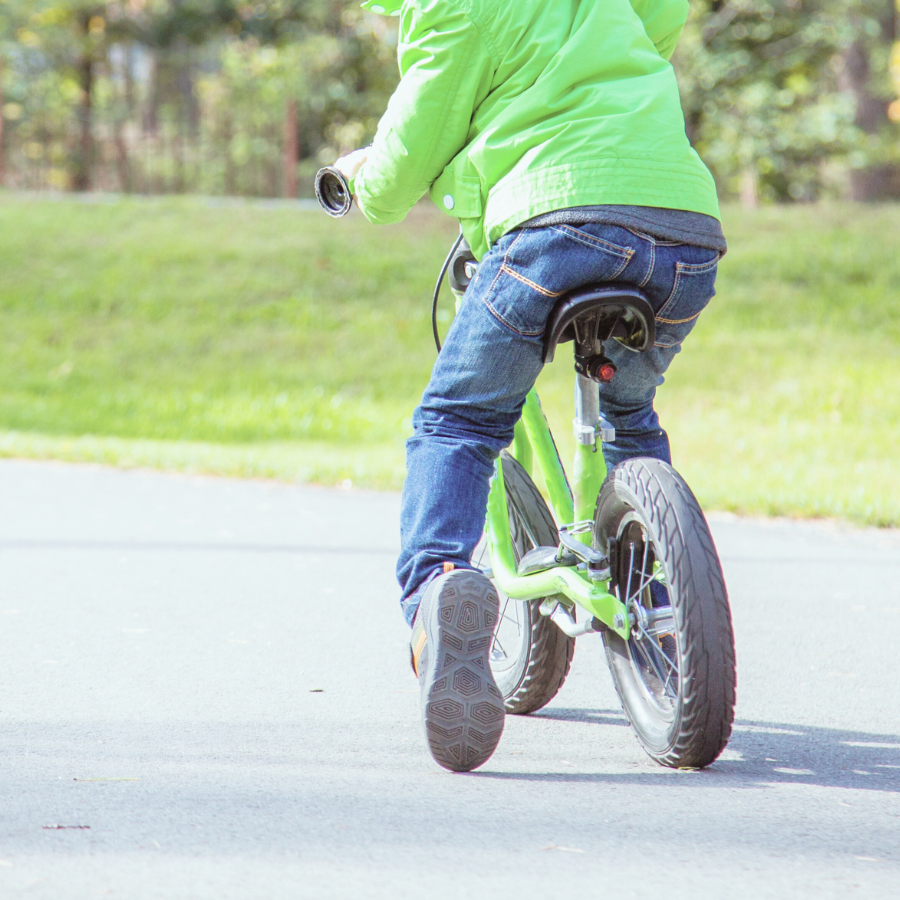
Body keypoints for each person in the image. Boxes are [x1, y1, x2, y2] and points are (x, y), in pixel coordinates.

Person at [334, 0, 727, 773]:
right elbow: (660, 17)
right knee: (628, 413)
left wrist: (358, 176)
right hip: (683, 228)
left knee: (458, 421)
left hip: (556, 222)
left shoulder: (451, 9)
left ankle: (436, 599)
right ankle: (662, 605)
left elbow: (399, 170)